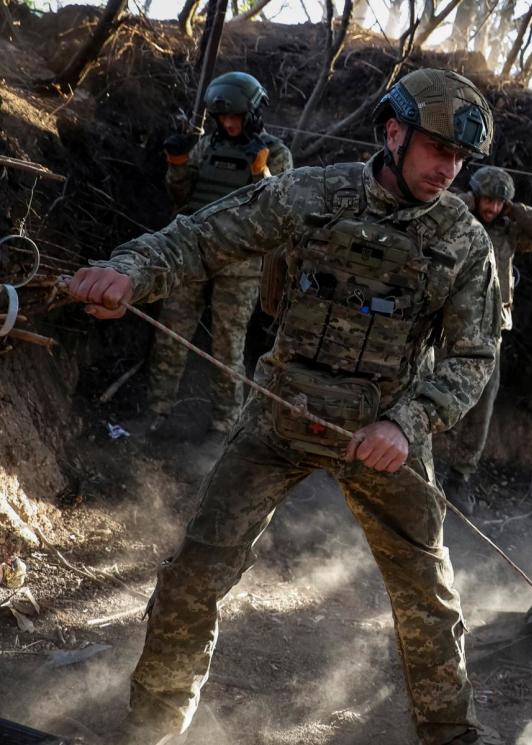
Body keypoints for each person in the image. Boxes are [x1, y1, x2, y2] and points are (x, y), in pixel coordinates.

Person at [68, 68, 502, 745]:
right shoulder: (311, 192)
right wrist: (130, 269)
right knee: (194, 573)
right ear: (394, 132)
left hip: (384, 431)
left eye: (459, 158)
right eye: (437, 149)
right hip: (280, 414)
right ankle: (151, 725)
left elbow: (473, 357)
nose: (448, 168)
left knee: (427, 594)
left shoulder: (465, 242)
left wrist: (407, 421)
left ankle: (451, 733)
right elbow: (202, 237)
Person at [149, 71, 293, 440]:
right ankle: (156, 412)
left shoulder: (275, 152)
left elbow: (281, 210)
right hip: (194, 252)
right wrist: (178, 164)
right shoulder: (206, 146)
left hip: (240, 264)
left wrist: (261, 171)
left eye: (236, 117)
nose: (229, 124)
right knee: (169, 334)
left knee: (228, 346)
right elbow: (181, 199)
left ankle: (225, 426)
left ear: (253, 113)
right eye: (222, 117)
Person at [440, 165, 532, 514]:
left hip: (491, 328)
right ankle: (418, 460)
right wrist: (467, 200)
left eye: (498, 203)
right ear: (475, 195)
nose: (491, 208)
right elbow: (436, 206)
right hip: (449, 320)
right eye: (487, 200)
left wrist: (515, 210)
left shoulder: (510, 232)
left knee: (482, 405)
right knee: (431, 384)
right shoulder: (458, 218)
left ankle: (459, 478)